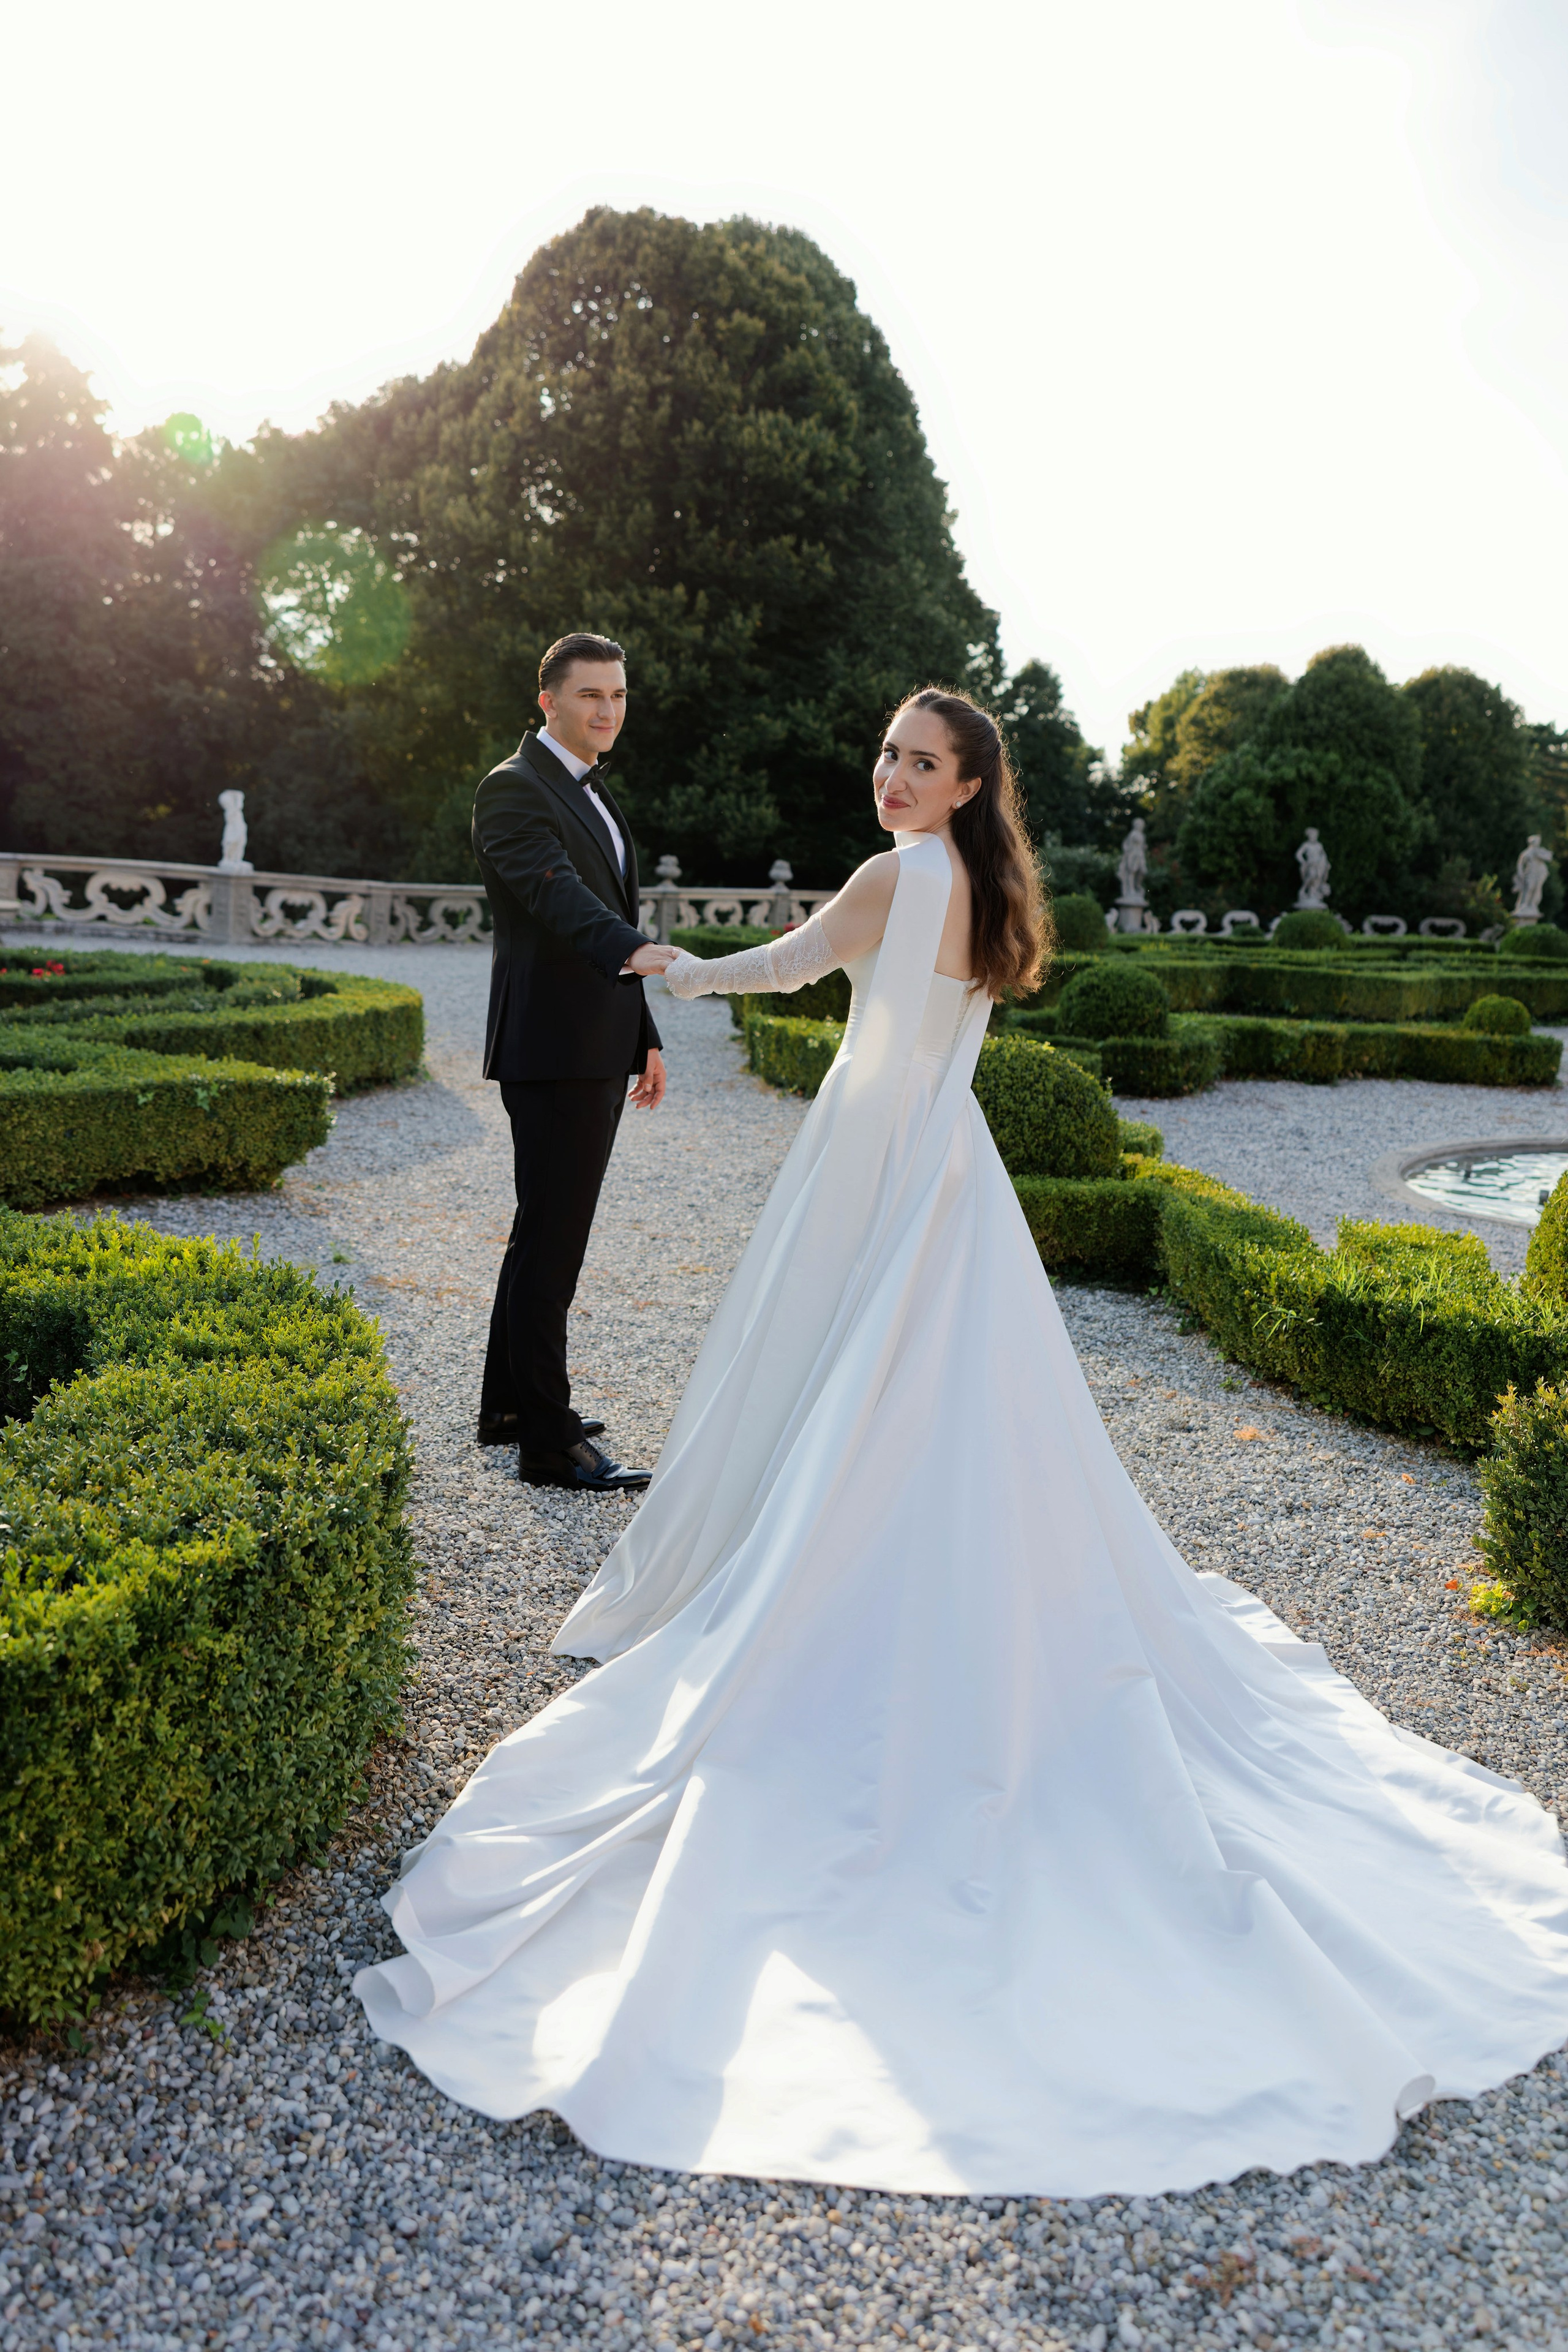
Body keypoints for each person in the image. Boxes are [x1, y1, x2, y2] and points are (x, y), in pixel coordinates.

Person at [359, 686, 1568, 2196]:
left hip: (873, 1154)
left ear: (968, 778)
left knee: (838, 1368)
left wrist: (672, 961)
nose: (890, 779)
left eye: (919, 765)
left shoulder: (891, 877)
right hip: (948, 1160)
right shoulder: (992, 887)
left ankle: (813, 1580)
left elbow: (796, 968)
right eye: (885, 755)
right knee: (937, 1390)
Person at [472, 631, 676, 1493]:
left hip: (595, 1043)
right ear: (547, 699)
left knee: (539, 1233)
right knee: (554, 1245)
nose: (608, 710)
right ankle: (551, 1445)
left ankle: (511, 1407)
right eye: (591, 695)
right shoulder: (513, 789)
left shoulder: (594, 790)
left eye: (619, 696)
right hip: (551, 1050)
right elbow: (555, 892)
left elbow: (604, 901)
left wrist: (645, 1036)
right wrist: (635, 948)